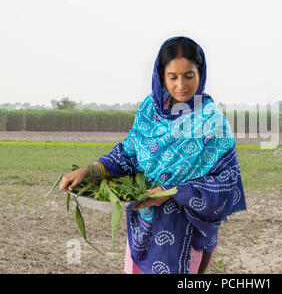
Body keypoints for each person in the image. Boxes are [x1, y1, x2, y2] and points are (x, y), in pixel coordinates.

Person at [59, 36, 247, 274]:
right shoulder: (149, 111)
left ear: (201, 75)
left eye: (189, 76)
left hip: (185, 231)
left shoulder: (212, 121)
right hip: (144, 227)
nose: (181, 85)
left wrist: (172, 193)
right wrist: (90, 171)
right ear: (162, 77)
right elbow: (128, 155)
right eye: (173, 77)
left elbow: (226, 182)